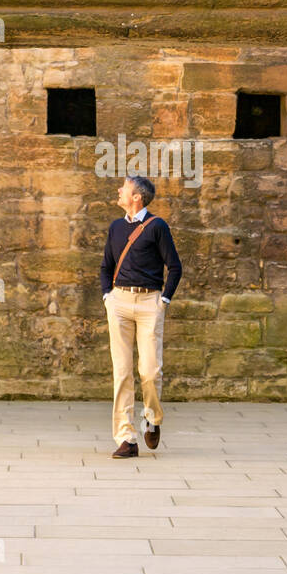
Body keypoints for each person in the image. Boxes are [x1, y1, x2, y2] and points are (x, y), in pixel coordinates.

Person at [99, 175, 183, 458]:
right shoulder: (116, 227)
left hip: (150, 302)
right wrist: (107, 296)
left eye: (124, 188)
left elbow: (175, 266)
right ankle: (126, 438)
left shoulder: (157, 226)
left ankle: (152, 418)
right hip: (119, 301)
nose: (119, 191)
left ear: (137, 196)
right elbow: (105, 266)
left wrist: (164, 301)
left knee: (150, 371)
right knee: (122, 372)